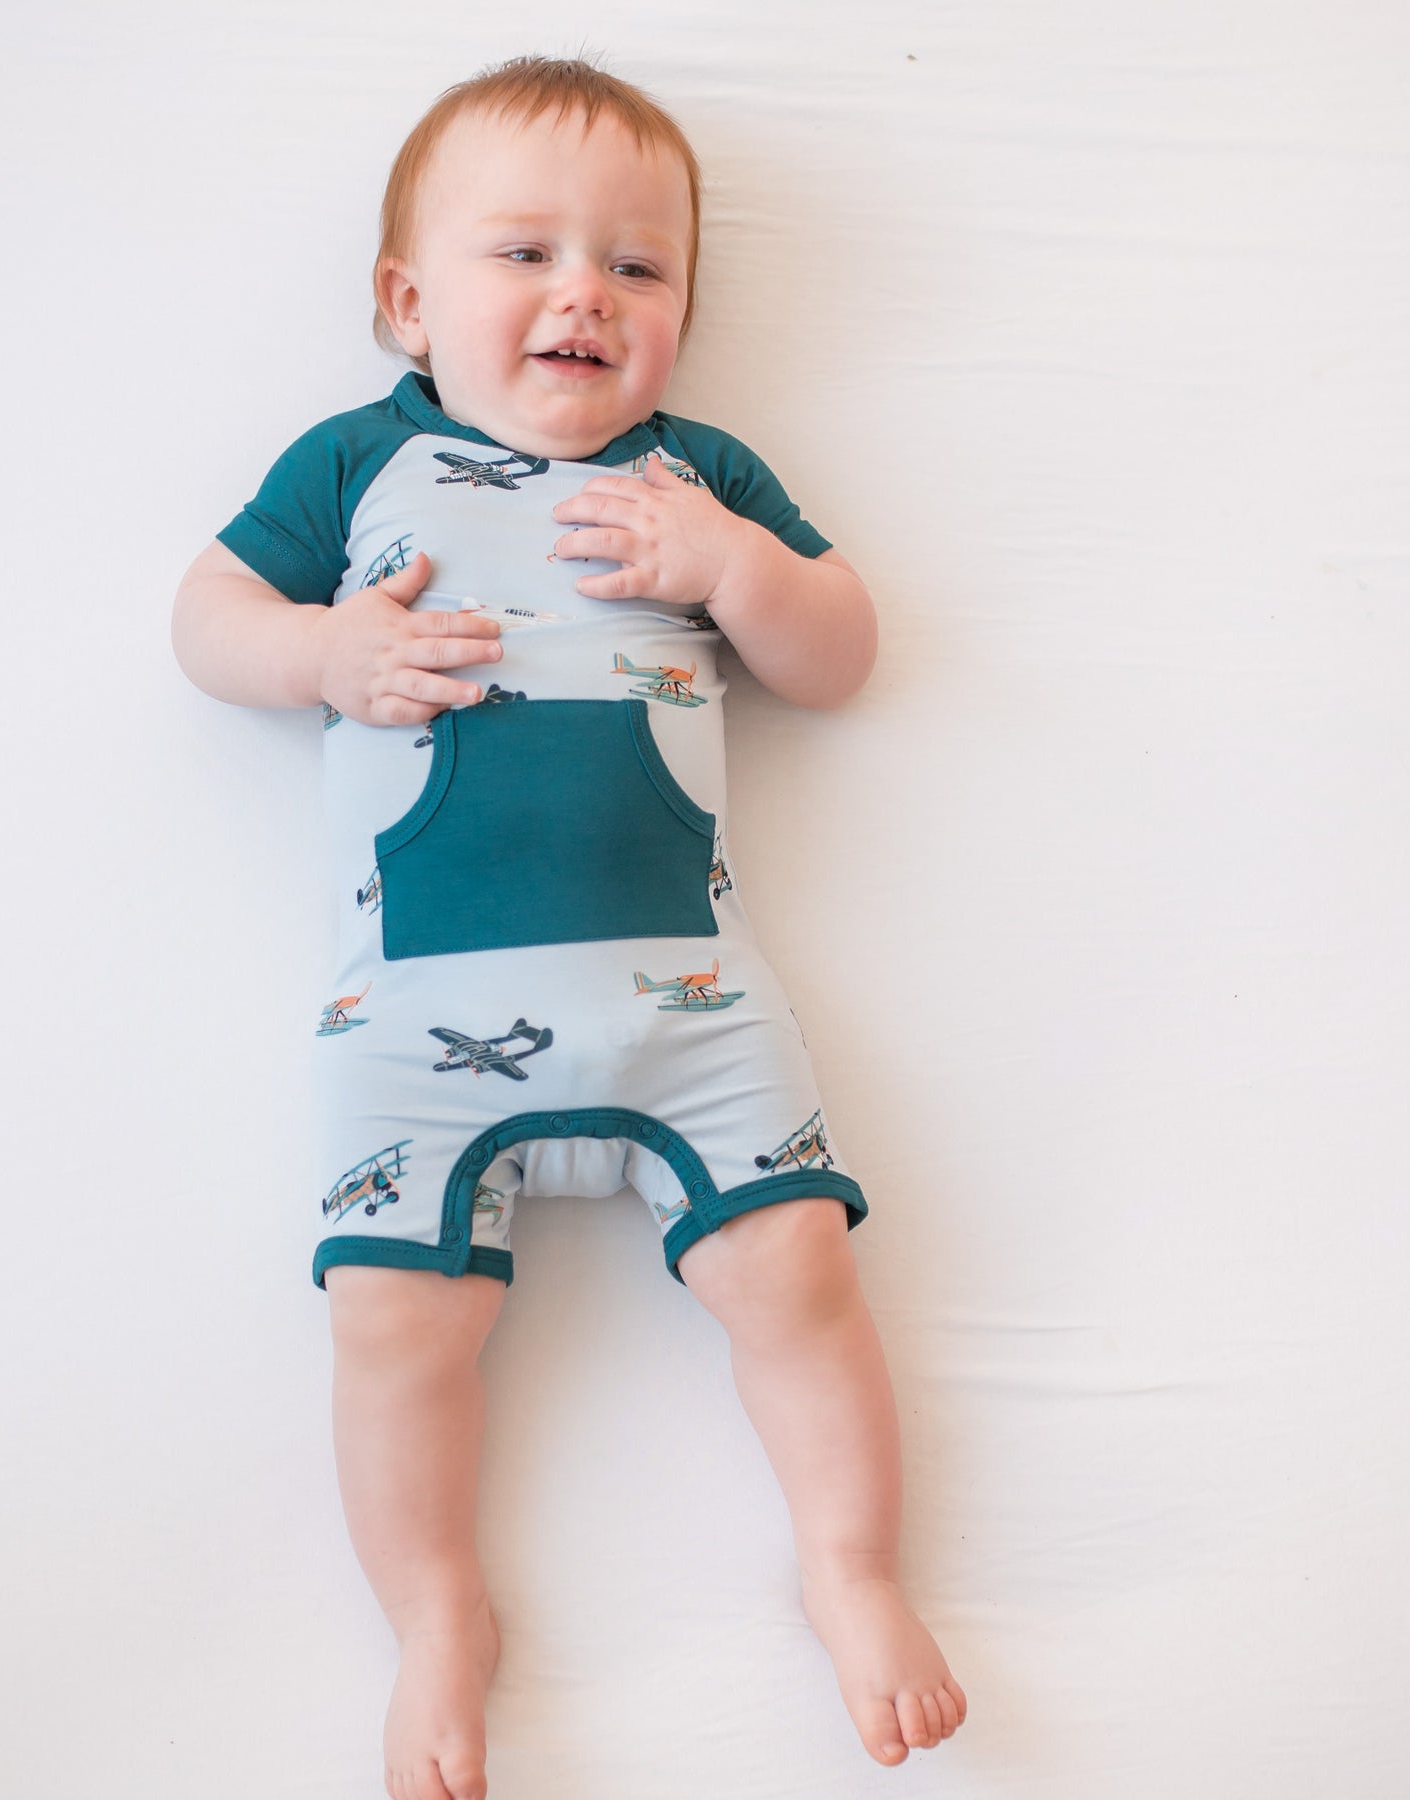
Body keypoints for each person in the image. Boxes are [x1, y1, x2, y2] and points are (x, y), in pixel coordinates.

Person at [171, 53, 966, 1800]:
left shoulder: (701, 475)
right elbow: (207, 616)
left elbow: (836, 658)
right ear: (406, 301)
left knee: (802, 1279)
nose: (583, 296)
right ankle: (438, 1616)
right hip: (415, 1026)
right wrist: (322, 657)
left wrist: (734, 570)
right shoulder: (358, 462)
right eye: (522, 253)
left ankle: (851, 1570)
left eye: (637, 265)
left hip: (692, 999)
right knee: (392, 1322)